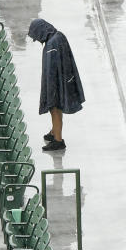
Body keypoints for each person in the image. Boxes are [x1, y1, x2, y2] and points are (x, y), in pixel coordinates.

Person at [27, 19, 85, 152]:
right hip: (65, 79)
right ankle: (54, 131)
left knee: (54, 108)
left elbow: (51, 72)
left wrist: (50, 92)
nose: (38, 41)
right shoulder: (59, 36)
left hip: (57, 84)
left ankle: (58, 140)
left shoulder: (51, 46)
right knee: (56, 108)